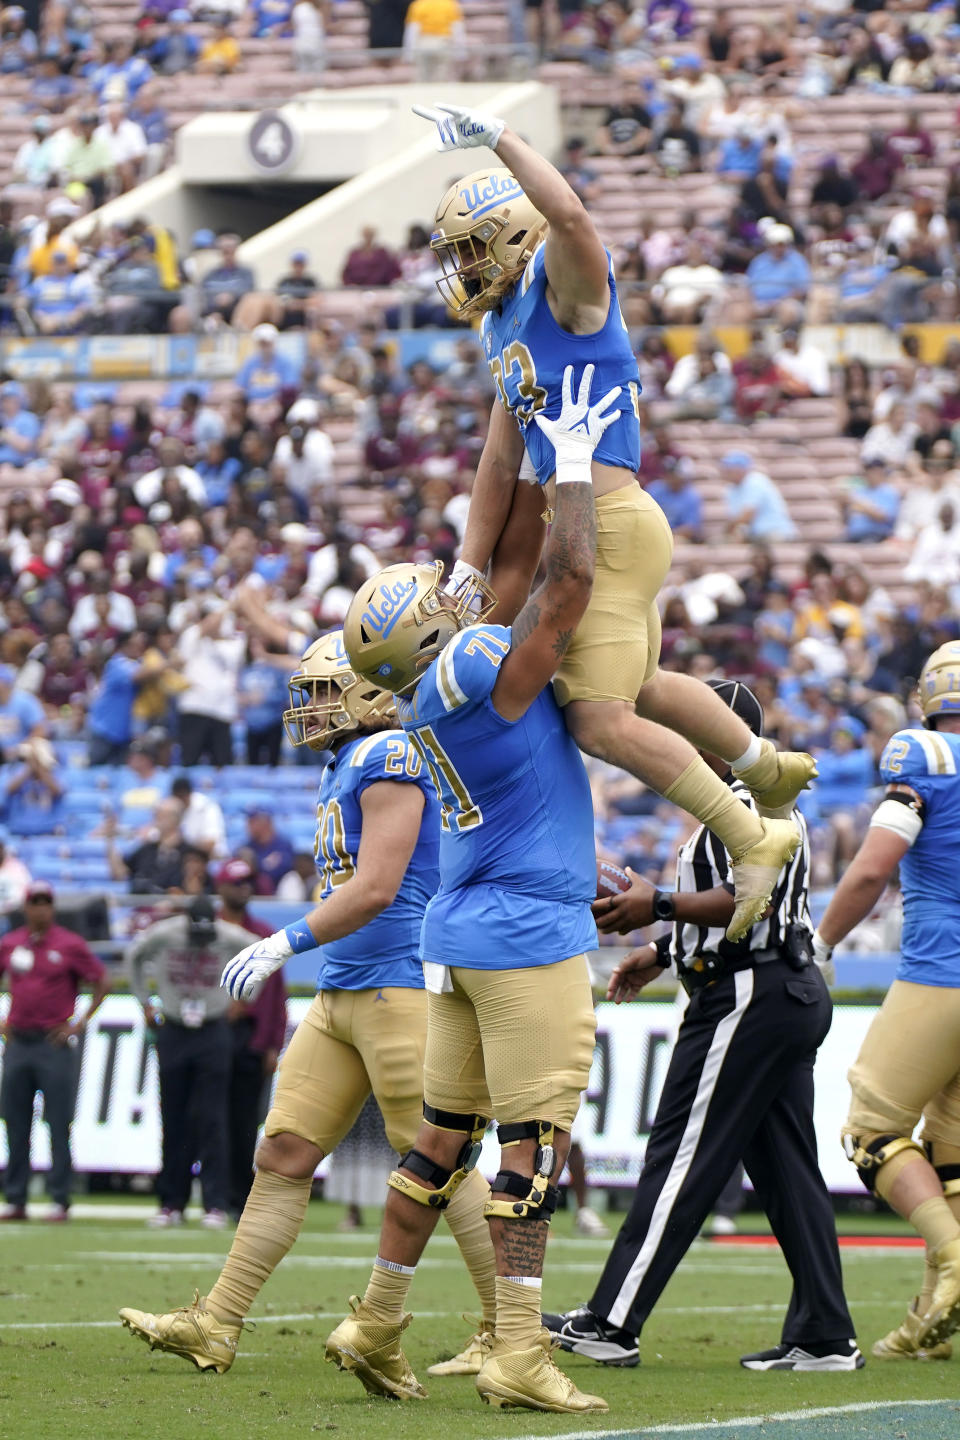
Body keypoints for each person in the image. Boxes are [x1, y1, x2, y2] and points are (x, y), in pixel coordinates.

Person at [411, 101, 811, 940]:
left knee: (600, 717)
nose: (460, 268)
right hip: (592, 516)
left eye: (471, 247)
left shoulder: (571, 295)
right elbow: (498, 456)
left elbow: (572, 214)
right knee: (644, 687)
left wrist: (500, 138)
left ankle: (751, 837)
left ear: (515, 239)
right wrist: (470, 564)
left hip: (609, 519)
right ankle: (767, 770)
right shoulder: (503, 324)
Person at [318, 367, 618, 1413]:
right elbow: (568, 584)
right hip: (527, 934)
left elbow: (496, 568)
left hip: (461, 931)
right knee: (529, 1149)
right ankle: (520, 1349)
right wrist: (572, 462)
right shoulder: (486, 670)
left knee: (438, 1140)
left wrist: (510, 416)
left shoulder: (418, 707)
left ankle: (376, 1314)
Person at [120, 630, 498, 1377]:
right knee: (283, 1153)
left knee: (438, 1162)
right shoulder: (345, 763)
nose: (311, 709)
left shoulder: (389, 753)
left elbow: (378, 885)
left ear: (367, 693)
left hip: (398, 984)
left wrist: (281, 943)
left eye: (324, 692)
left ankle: (507, 1331)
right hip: (343, 992)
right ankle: (218, 1323)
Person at [544, 680, 862, 1373]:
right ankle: (825, 1335)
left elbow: (742, 897)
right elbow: (765, 909)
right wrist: (663, 949)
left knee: (681, 1156)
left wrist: (655, 904)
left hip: (748, 993)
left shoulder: (738, 806)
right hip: (786, 986)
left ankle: (612, 1321)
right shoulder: (770, 805)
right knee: (786, 1170)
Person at [812, 641, 960, 1361]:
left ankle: (956, 1263)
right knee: (951, 1159)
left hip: (944, 974)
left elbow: (873, 868)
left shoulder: (924, 758)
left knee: (871, 1131)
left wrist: (821, 941)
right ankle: (928, 1323)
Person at [127, 895, 257, 1228]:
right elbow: (134, 955)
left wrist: (243, 999)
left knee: (213, 1118)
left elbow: (261, 953)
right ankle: (171, 1201)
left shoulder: (229, 936)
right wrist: (145, 1000)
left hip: (213, 1028)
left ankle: (214, 1203)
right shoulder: (165, 933)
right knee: (174, 1116)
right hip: (174, 1027)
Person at [0, 881, 110, 1222]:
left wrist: (78, 1023)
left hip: (53, 1042)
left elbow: (101, 981)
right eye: (35, 902)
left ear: (53, 907)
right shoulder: (10, 943)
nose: (40, 908)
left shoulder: (70, 944)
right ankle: (16, 1197)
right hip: (19, 1041)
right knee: (15, 1122)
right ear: (26, 907)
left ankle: (60, 1197)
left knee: (58, 1121)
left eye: (46, 902)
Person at [214, 858, 287, 1217]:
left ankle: (239, 1196)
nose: (243, 889)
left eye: (247, 883)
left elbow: (276, 996)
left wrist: (271, 1043)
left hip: (248, 1037)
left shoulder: (263, 933)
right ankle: (213, 1193)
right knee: (208, 1116)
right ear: (221, 887)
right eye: (236, 883)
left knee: (244, 1121)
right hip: (210, 1032)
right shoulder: (205, 930)